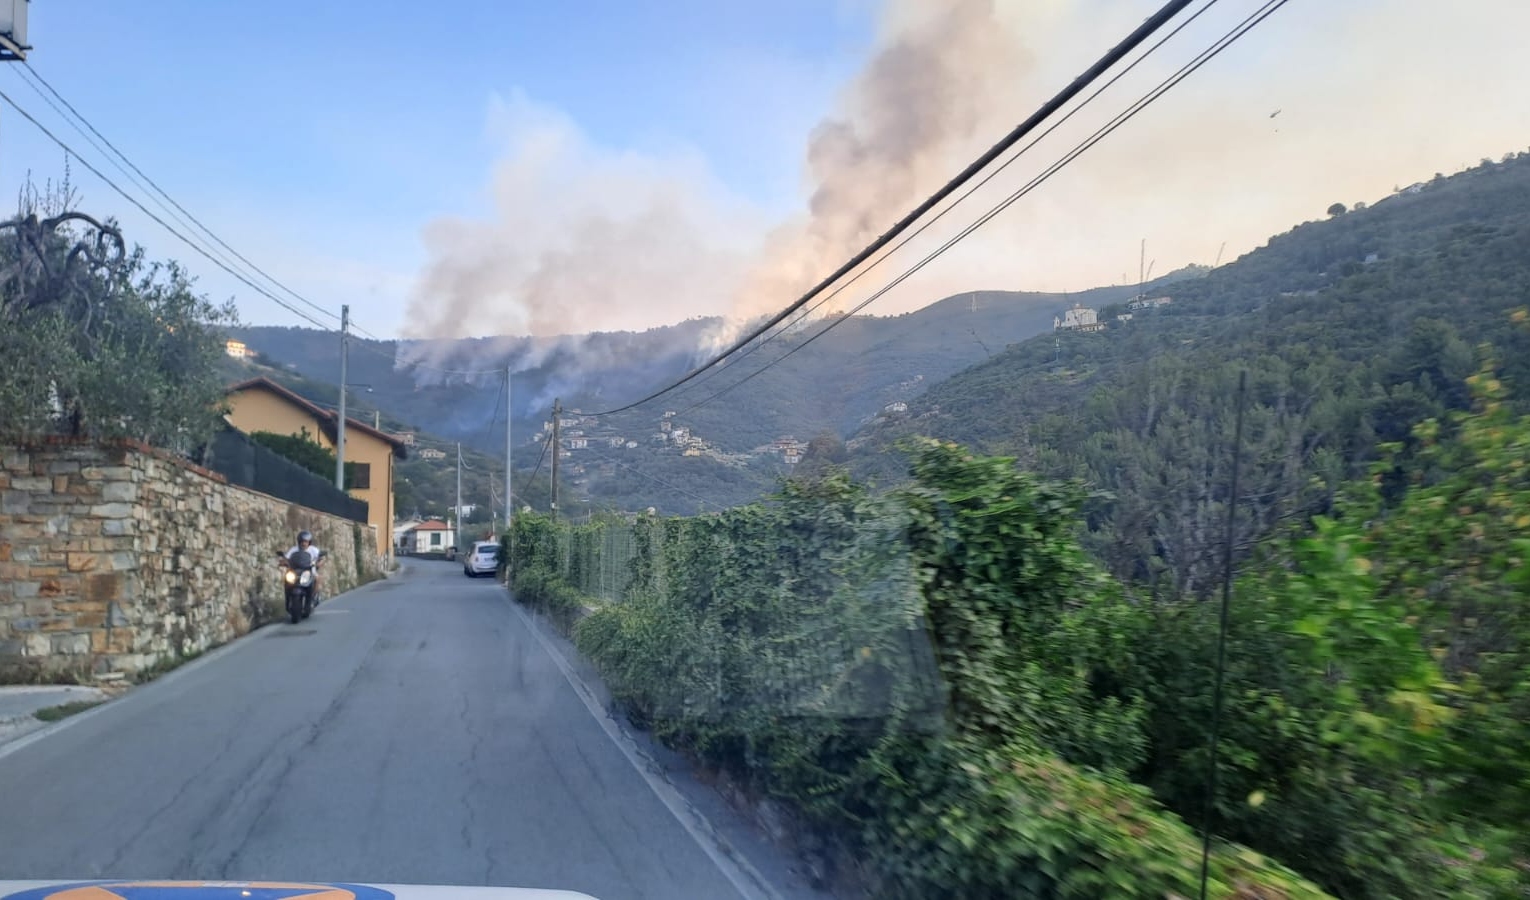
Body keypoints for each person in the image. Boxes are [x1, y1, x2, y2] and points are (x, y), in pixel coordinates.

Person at [283, 530, 324, 605]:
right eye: (302, 541)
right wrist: (284, 562)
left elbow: (320, 559)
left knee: (317, 578)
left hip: (309, 569)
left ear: (309, 542)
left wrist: (319, 563)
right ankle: (288, 597)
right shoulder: (294, 549)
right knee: (286, 579)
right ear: (299, 542)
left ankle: (313, 596)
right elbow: (286, 558)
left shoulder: (313, 550)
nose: (304, 543)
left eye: (306, 541)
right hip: (295, 570)